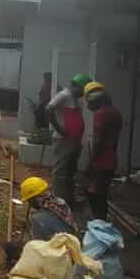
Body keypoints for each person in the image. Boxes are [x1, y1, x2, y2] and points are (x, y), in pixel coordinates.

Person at [4, 176, 78, 268]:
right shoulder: (60, 203)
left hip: (58, 259)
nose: (29, 203)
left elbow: (38, 247)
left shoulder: (38, 218)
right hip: (73, 250)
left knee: (10, 248)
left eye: (29, 200)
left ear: (34, 199)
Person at [45, 73, 90, 205]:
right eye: (83, 90)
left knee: (70, 171)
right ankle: (58, 202)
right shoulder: (63, 95)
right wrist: (59, 129)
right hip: (63, 140)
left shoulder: (74, 98)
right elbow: (48, 109)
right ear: (77, 87)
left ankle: (69, 200)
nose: (83, 94)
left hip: (74, 140)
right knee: (61, 171)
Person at [83, 81, 123, 221]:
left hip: (101, 162)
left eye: (90, 104)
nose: (89, 108)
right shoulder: (116, 113)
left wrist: (90, 162)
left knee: (94, 194)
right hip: (111, 161)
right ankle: (101, 221)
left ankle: (98, 223)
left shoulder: (100, 114)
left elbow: (99, 141)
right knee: (102, 195)